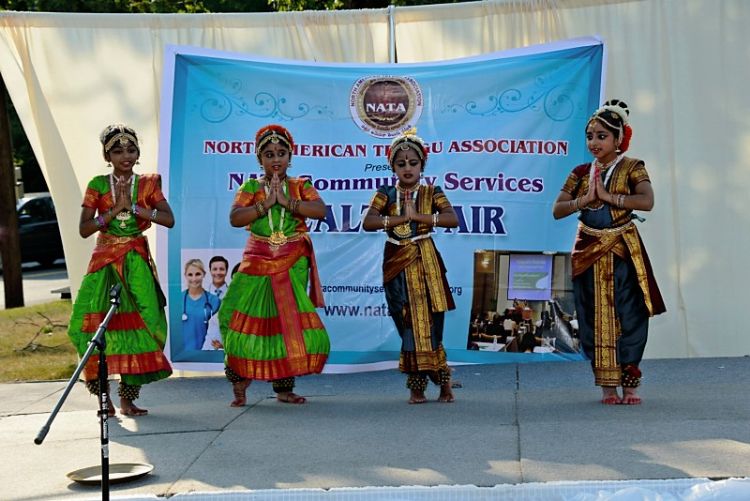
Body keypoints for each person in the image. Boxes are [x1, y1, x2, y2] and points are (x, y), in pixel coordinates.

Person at [553, 99, 666, 405]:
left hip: (622, 250)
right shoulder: (580, 172)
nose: (594, 142)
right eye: (590, 136)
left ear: (619, 139)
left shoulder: (633, 167)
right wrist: (585, 200)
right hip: (588, 251)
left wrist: (609, 197)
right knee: (592, 316)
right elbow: (557, 210)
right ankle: (607, 387)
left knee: (630, 315)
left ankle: (630, 385)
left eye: (602, 136)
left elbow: (647, 201)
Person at [67, 123, 174, 417]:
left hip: (136, 263)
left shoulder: (149, 183)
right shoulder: (98, 185)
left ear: (138, 153)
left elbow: (168, 219)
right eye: (117, 151)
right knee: (90, 326)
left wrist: (135, 209)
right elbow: (84, 229)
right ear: (107, 156)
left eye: (131, 149)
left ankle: (128, 398)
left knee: (146, 324)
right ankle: (103, 398)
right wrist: (116, 209)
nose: (126, 155)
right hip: (104, 263)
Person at [219, 124, 330, 407]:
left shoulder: (300, 186)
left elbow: (320, 211)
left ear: (290, 157)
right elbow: (235, 218)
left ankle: (284, 388)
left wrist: (287, 202)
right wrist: (266, 204)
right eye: (269, 154)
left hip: (292, 261)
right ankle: (239, 381)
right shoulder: (250, 187)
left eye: (281, 153)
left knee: (286, 322)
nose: (276, 159)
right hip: (257, 260)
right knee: (236, 316)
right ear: (260, 159)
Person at [362, 128, 459, 404]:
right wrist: (399, 220)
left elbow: (452, 219)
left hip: (426, 262)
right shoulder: (386, 193)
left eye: (413, 163)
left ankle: (434, 386)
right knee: (407, 324)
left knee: (430, 327)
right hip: (396, 264)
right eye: (401, 163)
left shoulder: (432, 192)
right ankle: (429, 384)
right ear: (392, 166)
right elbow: (368, 222)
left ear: (422, 165)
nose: (407, 168)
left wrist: (418, 216)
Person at [182, 259, 220, 351]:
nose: (194, 279)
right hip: (183, 355)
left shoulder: (214, 301)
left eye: (198, 274)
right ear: (185, 275)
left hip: (207, 354)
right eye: (190, 274)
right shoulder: (178, 300)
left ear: (204, 274)